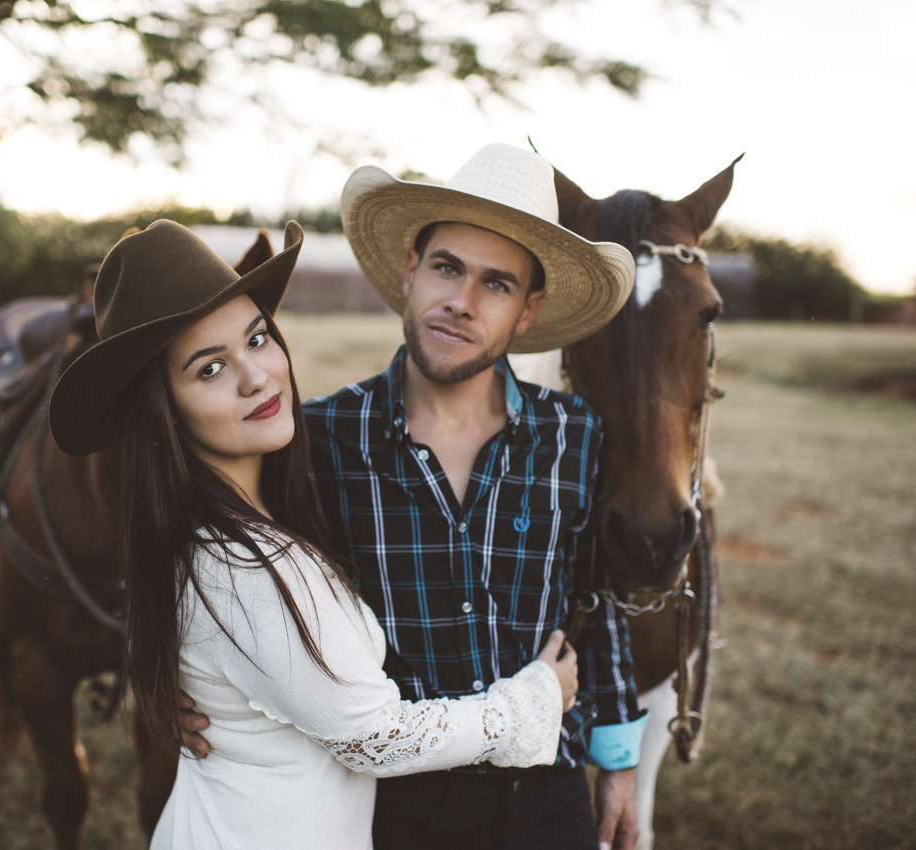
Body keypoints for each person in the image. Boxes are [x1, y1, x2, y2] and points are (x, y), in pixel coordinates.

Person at [47, 218, 581, 850]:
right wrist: (533, 700)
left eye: (257, 338)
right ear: (163, 410)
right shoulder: (247, 566)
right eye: (210, 369)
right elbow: (376, 737)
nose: (256, 376)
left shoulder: (234, 521)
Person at [183, 143, 647, 849]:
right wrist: (179, 678)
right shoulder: (318, 438)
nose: (461, 302)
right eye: (447, 268)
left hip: (548, 790)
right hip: (396, 801)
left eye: (497, 285)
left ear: (528, 311)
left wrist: (618, 764)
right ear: (410, 270)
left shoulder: (573, 434)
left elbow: (595, 600)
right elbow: (215, 554)